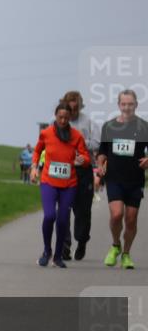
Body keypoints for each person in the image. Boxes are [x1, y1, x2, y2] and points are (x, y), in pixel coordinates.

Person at [31, 102, 90, 268]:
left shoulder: (76, 136)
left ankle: (58, 256)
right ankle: (46, 251)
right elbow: (37, 151)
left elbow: (86, 157)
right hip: (48, 182)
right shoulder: (46, 133)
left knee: (63, 220)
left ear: (70, 117)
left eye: (66, 117)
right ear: (55, 116)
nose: (63, 120)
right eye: (60, 117)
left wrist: (82, 160)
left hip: (69, 184)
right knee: (50, 216)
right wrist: (34, 167)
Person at [98, 89, 148, 269]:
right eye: (124, 104)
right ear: (119, 105)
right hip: (114, 178)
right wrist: (100, 164)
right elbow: (102, 151)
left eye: (130, 104)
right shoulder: (109, 126)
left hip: (135, 180)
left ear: (136, 105)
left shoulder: (144, 127)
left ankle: (126, 253)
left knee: (131, 220)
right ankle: (115, 245)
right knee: (117, 214)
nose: (127, 107)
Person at [60, 91, 99, 260]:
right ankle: (65, 245)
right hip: (64, 169)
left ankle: (81, 240)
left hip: (83, 170)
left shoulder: (88, 122)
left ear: (80, 105)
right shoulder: (60, 121)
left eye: (76, 106)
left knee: (82, 210)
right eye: (70, 106)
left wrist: (79, 141)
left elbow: (97, 142)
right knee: (63, 208)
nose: (73, 110)